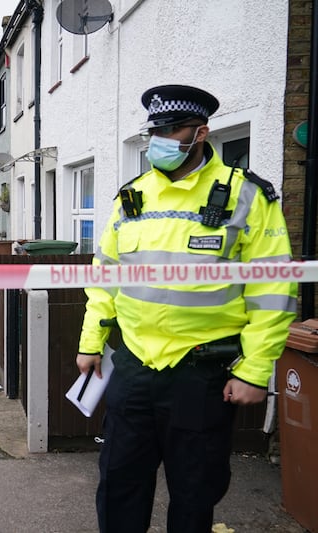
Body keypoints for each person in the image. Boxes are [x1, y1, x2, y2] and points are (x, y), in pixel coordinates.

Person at [75, 84, 297, 532]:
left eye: (171, 131)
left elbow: (273, 288)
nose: (158, 141)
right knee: (118, 485)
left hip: (202, 372)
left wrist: (255, 370)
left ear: (201, 134)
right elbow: (105, 280)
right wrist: (90, 342)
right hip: (134, 366)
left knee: (195, 494)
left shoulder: (246, 196)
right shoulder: (131, 198)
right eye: (154, 131)